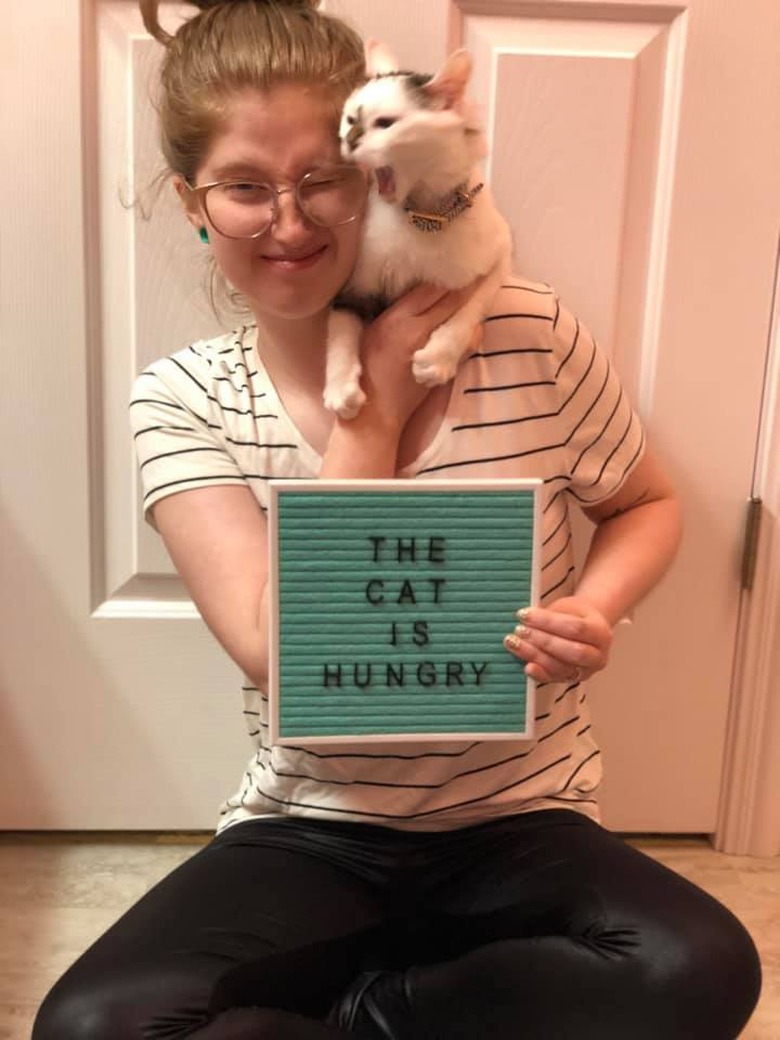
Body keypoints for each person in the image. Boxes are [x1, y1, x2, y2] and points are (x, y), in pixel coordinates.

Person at [33, 0, 761, 1037]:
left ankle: (365, 1011)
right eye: (244, 186)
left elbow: (645, 501)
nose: (288, 222)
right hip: (311, 828)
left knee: (698, 962)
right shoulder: (183, 397)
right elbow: (272, 646)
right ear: (196, 204)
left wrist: (597, 607)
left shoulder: (528, 332)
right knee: (93, 1025)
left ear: (367, 162)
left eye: (318, 179)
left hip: (522, 813)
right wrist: (367, 414)